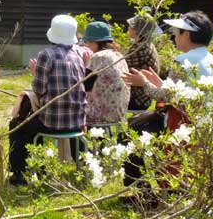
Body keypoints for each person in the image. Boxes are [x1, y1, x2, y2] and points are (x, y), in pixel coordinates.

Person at [121, 10, 213, 196]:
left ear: (187, 35)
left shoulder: (183, 59)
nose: (174, 36)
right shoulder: (211, 59)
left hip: (181, 123)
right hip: (205, 123)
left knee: (130, 135)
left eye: (177, 33)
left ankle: (144, 194)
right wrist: (157, 82)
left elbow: (166, 96)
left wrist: (144, 83)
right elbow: (180, 91)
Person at [8, 14, 87, 186]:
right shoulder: (78, 57)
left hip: (52, 122)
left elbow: (39, 89)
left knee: (17, 126)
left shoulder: (46, 55)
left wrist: (36, 72)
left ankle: (20, 173)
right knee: (31, 123)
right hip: (76, 122)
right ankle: (43, 166)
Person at [81, 21, 129, 125]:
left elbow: (85, 86)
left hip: (99, 115)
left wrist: (85, 64)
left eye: (87, 42)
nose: (87, 46)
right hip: (120, 113)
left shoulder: (98, 57)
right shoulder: (119, 56)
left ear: (94, 42)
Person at [124, 14, 160, 111]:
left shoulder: (139, 48)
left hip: (138, 98)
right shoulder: (147, 44)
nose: (128, 27)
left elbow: (122, 66)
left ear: (136, 30)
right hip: (145, 96)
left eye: (131, 26)